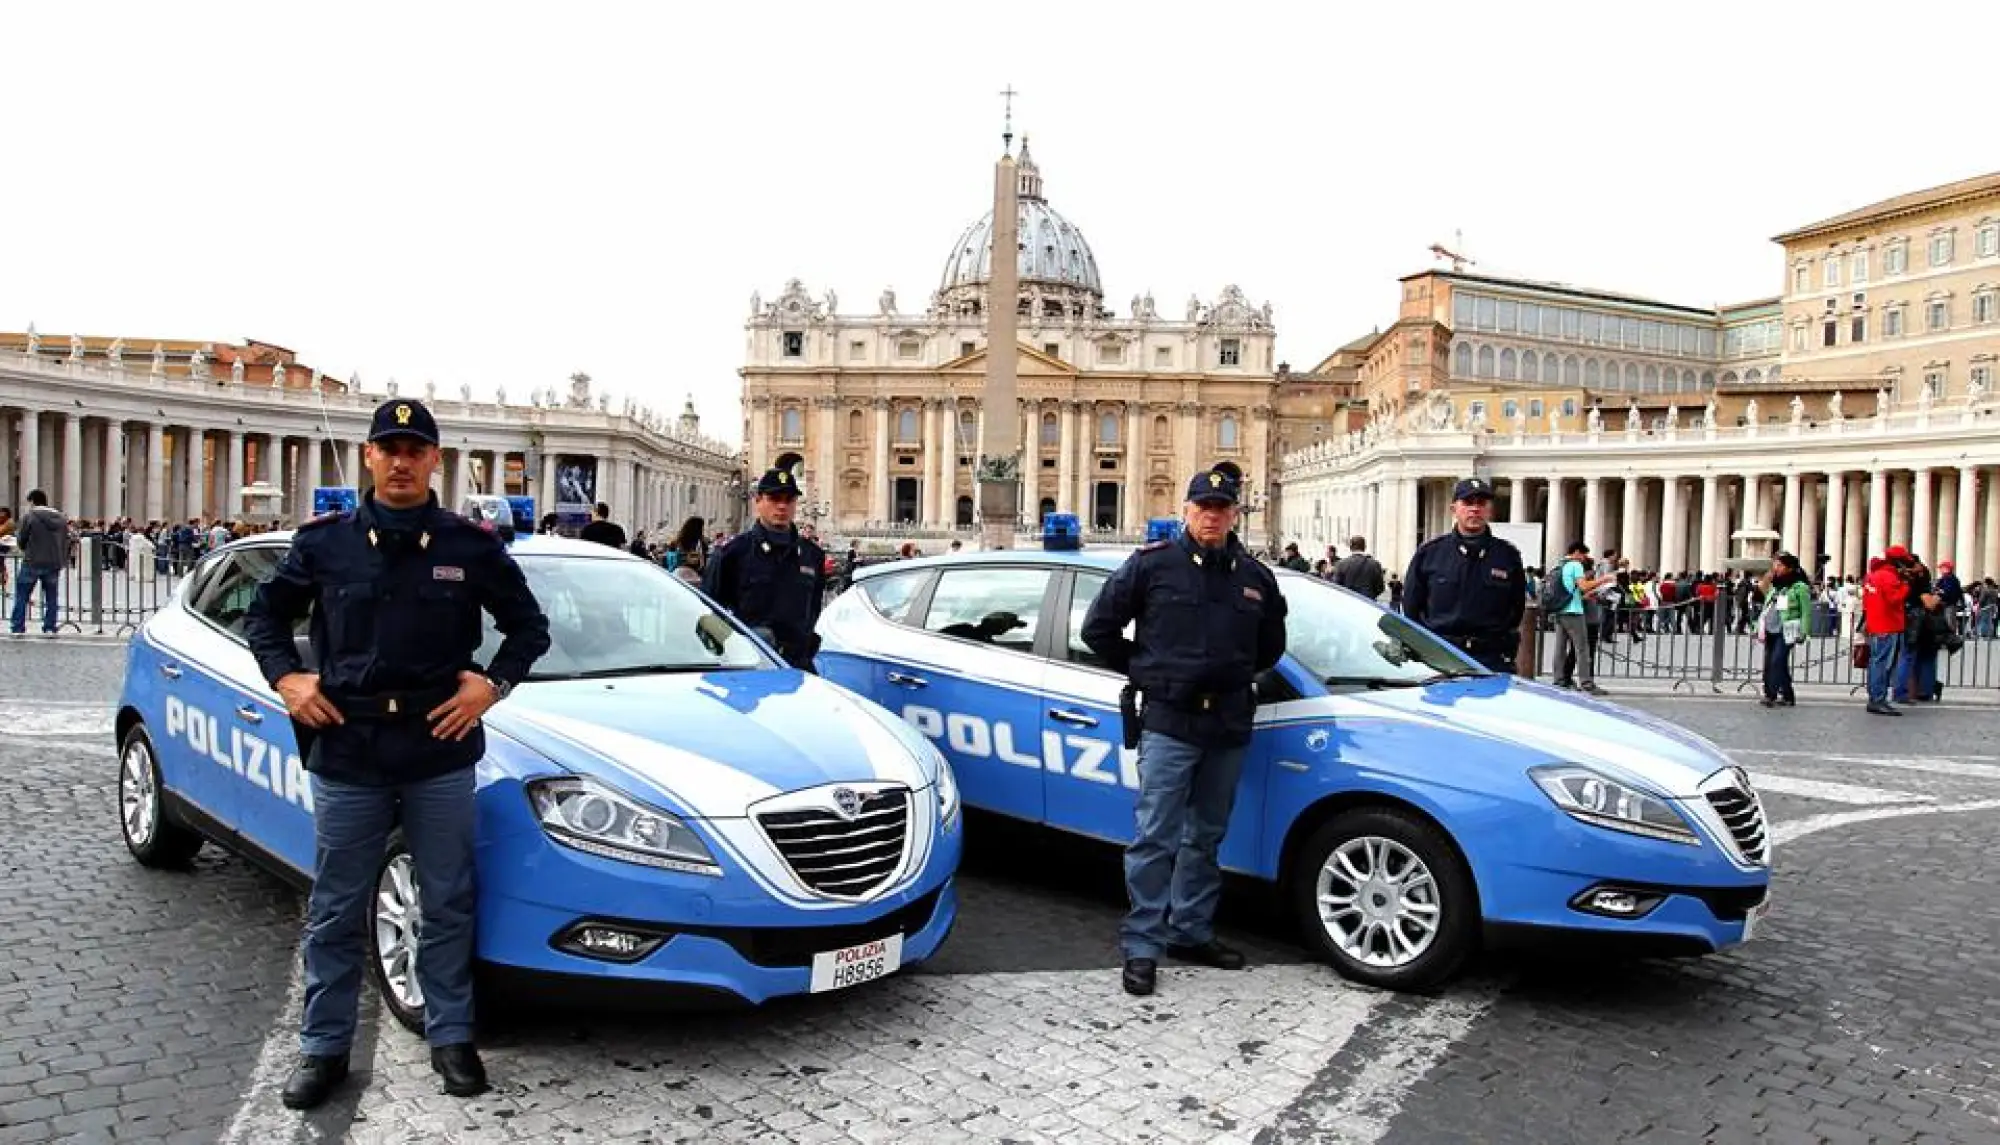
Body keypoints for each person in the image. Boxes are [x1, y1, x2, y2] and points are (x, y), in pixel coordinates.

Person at [241, 399, 552, 1110]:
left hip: (438, 744)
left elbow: (528, 627)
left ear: (435, 459)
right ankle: (323, 1046)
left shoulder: (469, 545)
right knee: (336, 902)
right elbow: (264, 614)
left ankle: (450, 1034)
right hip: (348, 745)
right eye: (391, 447)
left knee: (446, 896)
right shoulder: (324, 544)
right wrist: (288, 678)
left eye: (416, 448)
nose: (403, 460)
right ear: (369, 456)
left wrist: (492, 684)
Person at [1080, 467, 1287, 998]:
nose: (1212, 516)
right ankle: (1143, 945)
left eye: (1221, 507)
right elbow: (1097, 629)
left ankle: (1190, 931)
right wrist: (1145, 668)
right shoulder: (1152, 566)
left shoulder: (1256, 577)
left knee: (1206, 837)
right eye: (1203, 507)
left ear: (1235, 512)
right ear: (1186, 510)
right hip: (1171, 720)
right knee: (1155, 836)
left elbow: (1269, 650)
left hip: (1228, 721)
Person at [701, 467, 828, 671]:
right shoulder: (732, 554)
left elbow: (813, 610)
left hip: (797, 669)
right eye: (774, 498)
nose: (781, 506)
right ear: (758, 500)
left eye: (788, 500)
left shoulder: (812, 555)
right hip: (748, 670)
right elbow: (708, 616)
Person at [1401, 477, 1527, 672]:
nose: (1475, 509)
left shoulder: (1507, 556)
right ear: (1454, 509)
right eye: (1468, 503)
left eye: (1481, 503)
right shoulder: (1430, 554)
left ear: (1489, 510)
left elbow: (1515, 609)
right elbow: (1411, 607)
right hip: (1439, 656)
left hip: (1490, 658)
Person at [1549, 541, 1609, 695]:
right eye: (1583, 554)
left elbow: (1572, 588)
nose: (1583, 558)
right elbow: (1583, 586)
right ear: (1576, 552)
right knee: (1582, 648)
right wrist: (1603, 580)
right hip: (1573, 611)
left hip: (1559, 609)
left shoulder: (1560, 565)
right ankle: (1586, 682)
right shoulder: (1575, 565)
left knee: (1560, 648)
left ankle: (1559, 680)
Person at [9, 490, 67, 637]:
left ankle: (18, 627)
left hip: (33, 560)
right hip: (53, 561)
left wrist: (25, 547)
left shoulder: (29, 516)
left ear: (33, 501)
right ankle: (49, 627)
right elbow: (65, 540)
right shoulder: (60, 518)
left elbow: (22, 539)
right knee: (51, 597)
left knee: (22, 595)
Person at [1756, 552, 1812, 708]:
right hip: (1770, 626)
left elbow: (1806, 611)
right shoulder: (1775, 585)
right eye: (1775, 565)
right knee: (1773, 663)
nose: (1776, 568)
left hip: (1787, 629)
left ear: (1790, 568)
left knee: (1777, 661)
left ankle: (1771, 695)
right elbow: (1762, 591)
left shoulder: (1800, 587)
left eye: (1780, 565)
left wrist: (1804, 632)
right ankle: (1787, 694)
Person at [1861, 549, 1911, 716]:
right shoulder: (1889, 577)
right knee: (1883, 664)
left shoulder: (1872, 576)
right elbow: (1894, 599)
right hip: (1888, 624)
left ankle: (1874, 697)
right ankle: (1878, 699)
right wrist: (1905, 585)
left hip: (1876, 624)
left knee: (1875, 662)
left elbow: (1867, 602)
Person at [1329, 535, 1385, 600]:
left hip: (1348, 602)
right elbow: (1380, 588)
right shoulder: (1375, 564)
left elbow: (1336, 586)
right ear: (1364, 547)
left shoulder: (1341, 564)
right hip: (1368, 603)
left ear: (1350, 547)